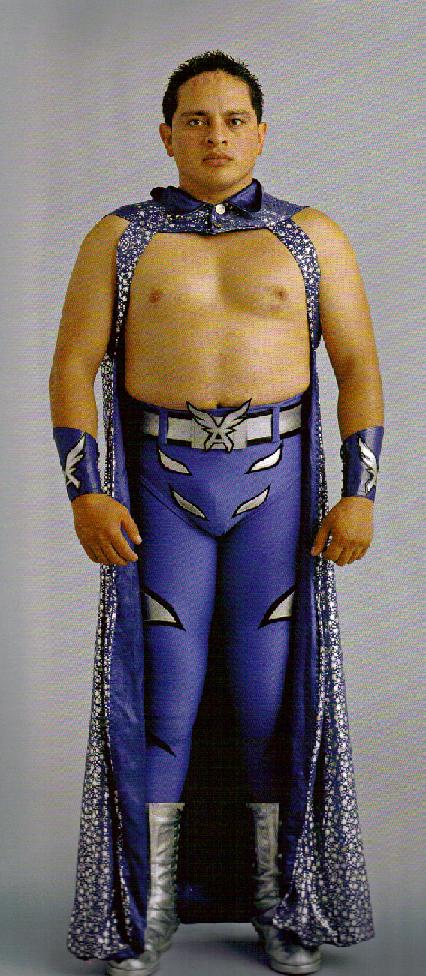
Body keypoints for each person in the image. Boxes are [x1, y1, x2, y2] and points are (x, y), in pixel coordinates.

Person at [49, 50, 384, 976]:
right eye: (196, 121)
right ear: (167, 135)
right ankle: (147, 908)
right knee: (166, 695)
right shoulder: (121, 238)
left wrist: (360, 493)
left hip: (277, 498)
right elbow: (73, 363)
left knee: (272, 698)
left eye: (234, 120)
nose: (217, 136)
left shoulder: (311, 236)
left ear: (261, 133)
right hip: (163, 494)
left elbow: (357, 364)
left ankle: (281, 904)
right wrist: (85, 488)